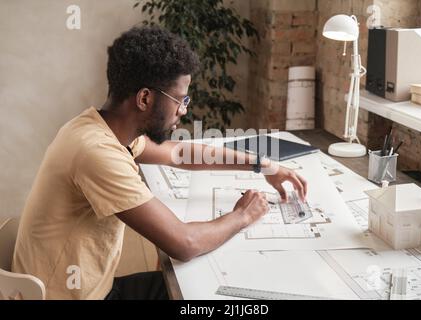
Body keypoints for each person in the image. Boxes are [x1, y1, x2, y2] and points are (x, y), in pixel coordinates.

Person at [12, 26, 307, 300]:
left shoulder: (103, 128)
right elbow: (184, 243)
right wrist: (243, 215)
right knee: (204, 293)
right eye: (181, 99)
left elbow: (178, 153)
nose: (183, 111)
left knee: (185, 282)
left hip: (85, 288)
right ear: (144, 98)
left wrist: (265, 165)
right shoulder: (96, 152)